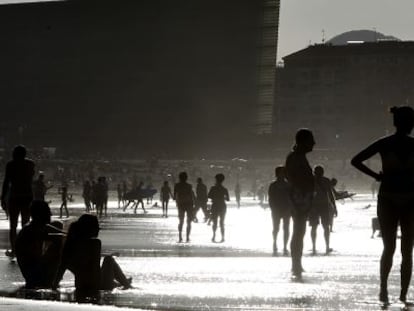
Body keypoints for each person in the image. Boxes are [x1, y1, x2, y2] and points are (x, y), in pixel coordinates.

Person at [351, 106, 414, 305]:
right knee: (407, 250)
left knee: (389, 247)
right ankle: (403, 295)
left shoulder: (384, 143)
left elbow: (356, 161)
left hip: (387, 198)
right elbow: (355, 160)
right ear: (409, 124)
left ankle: (384, 290)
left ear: (395, 123)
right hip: (411, 199)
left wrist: (377, 176)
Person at [53, 214, 132, 302]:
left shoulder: (70, 244)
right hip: (96, 285)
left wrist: (54, 285)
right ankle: (126, 284)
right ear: (89, 229)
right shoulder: (95, 243)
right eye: (97, 227)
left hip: (80, 285)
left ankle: (120, 282)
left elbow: (62, 267)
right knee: (109, 260)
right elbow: (95, 271)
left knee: (109, 261)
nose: (98, 230)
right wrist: (106, 283)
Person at [285, 128, 315, 279]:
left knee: (299, 232)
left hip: (301, 198)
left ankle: (297, 263)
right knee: (298, 232)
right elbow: (293, 179)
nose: (314, 143)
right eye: (311, 140)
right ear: (303, 142)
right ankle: (295, 264)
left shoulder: (298, 156)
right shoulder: (296, 157)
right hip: (298, 199)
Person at [15, 200, 63, 289]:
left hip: (32, 272)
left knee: (58, 227)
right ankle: (54, 280)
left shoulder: (31, 228)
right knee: (59, 243)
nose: (50, 215)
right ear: (41, 214)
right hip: (34, 274)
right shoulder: (32, 230)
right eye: (48, 212)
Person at [1, 145, 35, 258]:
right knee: (26, 224)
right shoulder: (30, 164)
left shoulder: (10, 165)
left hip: (15, 196)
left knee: (13, 225)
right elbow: (31, 178)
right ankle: (26, 249)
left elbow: (6, 182)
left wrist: (2, 198)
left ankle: (14, 250)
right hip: (27, 196)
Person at [308, 165, 337, 255]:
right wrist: (334, 206)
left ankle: (314, 247)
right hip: (324, 205)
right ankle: (327, 246)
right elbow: (331, 194)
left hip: (314, 206)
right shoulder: (326, 181)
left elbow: (307, 194)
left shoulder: (311, 181)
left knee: (314, 227)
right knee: (326, 227)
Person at [268, 166, 292, 256]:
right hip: (276, 209)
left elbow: (291, 197)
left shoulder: (288, 185)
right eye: (281, 172)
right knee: (276, 228)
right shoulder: (273, 185)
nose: (283, 174)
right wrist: (272, 208)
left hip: (286, 209)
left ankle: (285, 246)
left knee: (286, 228)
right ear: (277, 174)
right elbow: (270, 198)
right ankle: (274, 242)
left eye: (284, 173)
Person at [208, 173, 230, 243]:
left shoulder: (213, 188)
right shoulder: (224, 189)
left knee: (215, 222)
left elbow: (209, 196)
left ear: (216, 180)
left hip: (215, 205)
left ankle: (214, 236)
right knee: (222, 222)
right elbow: (228, 199)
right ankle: (223, 237)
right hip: (222, 206)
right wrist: (223, 197)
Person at [174, 172, 195, 243]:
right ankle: (187, 237)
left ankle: (180, 236)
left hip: (181, 204)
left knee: (181, 221)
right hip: (189, 204)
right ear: (186, 178)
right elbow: (191, 196)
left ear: (179, 178)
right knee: (189, 222)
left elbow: (174, 197)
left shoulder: (177, 185)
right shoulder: (189, 186)